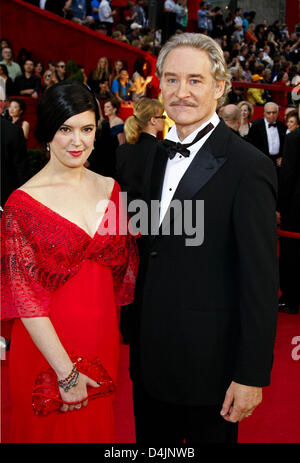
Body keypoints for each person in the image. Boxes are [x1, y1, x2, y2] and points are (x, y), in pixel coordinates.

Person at [123, 32, 278, 444]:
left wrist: (250, 375)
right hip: (150, 361)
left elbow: (260, 282)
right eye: (171, 80)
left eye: (195, 80)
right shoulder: (155, 154)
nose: (181, 92)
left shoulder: (249, 167)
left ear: (220, 86)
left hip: (211, 369)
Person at [1, 81, 138, 443]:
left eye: (87, 129)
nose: (77, 141)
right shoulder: (21, 204)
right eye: (65, 129)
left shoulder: (110, 188)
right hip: (46, 351)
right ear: (47, 133)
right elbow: (25, 301)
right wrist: (66, 373)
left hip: (102, 338)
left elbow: (116, 274)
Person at [116, 97, 165, 205]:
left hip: (125, 211)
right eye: (162, 116)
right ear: (153, 120)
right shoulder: (160, 150)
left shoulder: (122, 149)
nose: (164, 119)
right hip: (150, 212)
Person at [277, 109, 300, 315]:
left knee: (292, 252)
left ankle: (292, 299)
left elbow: (287, 175)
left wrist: (279, 207)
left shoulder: (294, 138)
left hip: (295, 208)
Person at [248, 101, 286, 171]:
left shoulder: (282, 126)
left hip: (278, 163)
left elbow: (285, 144)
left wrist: (282, 157)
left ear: (278, 113)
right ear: (264, 113)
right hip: (261, 161)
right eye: (269, 113)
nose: (271, 115)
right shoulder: (256, 125)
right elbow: (251, 144)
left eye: (274, 112)